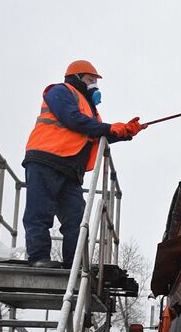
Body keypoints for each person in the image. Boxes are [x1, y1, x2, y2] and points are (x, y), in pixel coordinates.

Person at [22, 60, 143, 268]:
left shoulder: (92, 111)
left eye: (96, 81)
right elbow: (73, 120)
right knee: (39, 213)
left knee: (76, 221)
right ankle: (38, 258)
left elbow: (96, 134)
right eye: (90, 80)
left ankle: (74, 264)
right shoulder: (60, 91)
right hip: (46, 160)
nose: (94, 85)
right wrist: (109, 128)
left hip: (70, 170)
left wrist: (124, 132)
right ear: (76, 78)